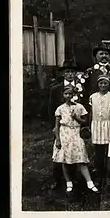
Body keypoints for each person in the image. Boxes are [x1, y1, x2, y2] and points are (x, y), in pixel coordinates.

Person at [52, 85, 99, 194]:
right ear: (63, 95)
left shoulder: (80, 107)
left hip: (76, 134)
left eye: (70, 94)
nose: (68, 96)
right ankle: (69, 182)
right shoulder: (60, 108)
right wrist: (58, 139)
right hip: (64, 134)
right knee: (64, 159)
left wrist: (76, 117)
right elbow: (57, 126)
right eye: (66, 94)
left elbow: (85, 122)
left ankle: (89, 183)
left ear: (74, 95)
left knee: (81, 158)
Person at [47, 59, 79, 190]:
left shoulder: (80, 87)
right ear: (63, 74)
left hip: (75, 125)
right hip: (61, 125)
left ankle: (73, 177)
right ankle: (57, 178)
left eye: (72, 72)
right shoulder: (56, 89)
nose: (70, 74)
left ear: (75, 73)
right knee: (59, 150)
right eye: (68, 72)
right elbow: (51, 109)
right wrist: (54, 127)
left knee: (74, 150)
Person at [88, 74, 110, 189]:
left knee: (109, 152)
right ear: (97, 84)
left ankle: (108, 176)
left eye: (105, 83)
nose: (103, 85)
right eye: (101, 83)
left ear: (109, 84)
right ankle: (99, 176)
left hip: (108, 125)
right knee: (98, 152)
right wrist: (89, 126)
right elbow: (90, 112)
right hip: (97, 125)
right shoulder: (93, 97)